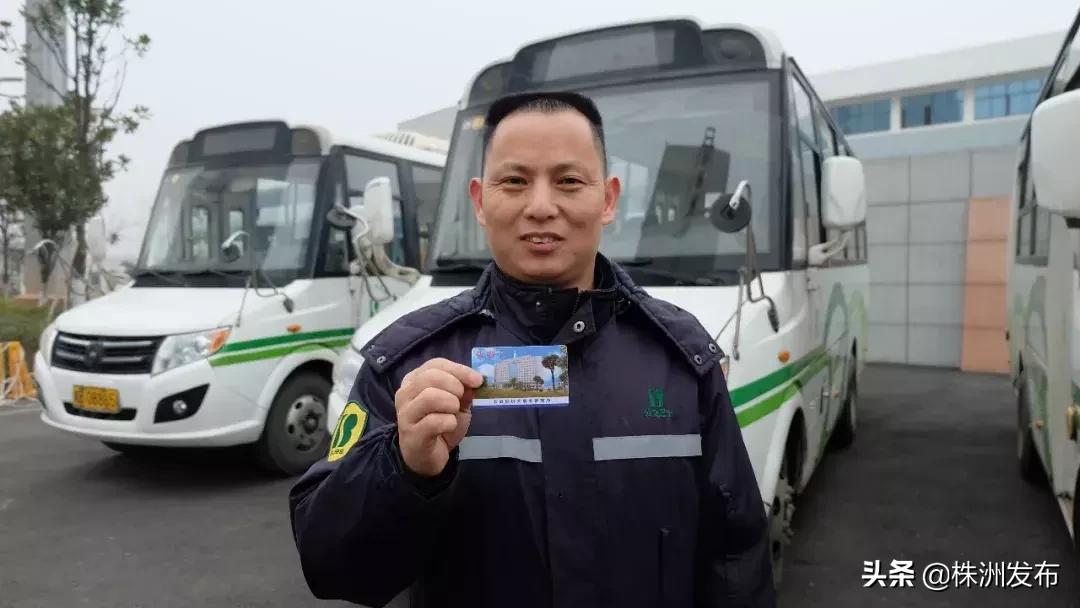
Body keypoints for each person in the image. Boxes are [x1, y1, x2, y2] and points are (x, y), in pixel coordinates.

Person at [289, 91, 775, 607]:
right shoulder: (408, 365)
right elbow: (333, 567)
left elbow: (736, 554)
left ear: (608, 199)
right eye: (515, 181)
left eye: (569, 181)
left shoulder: (683, 358)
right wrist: (404, 467)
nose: (541, 207)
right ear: (480, 201)